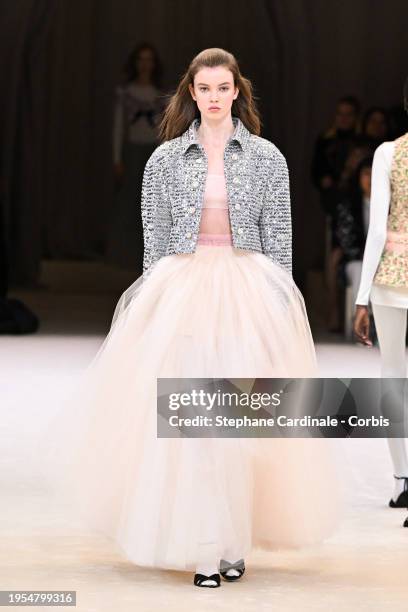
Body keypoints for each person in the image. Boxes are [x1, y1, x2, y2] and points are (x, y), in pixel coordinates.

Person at [40, 48, 341, 589]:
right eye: (204, 89)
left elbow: (280, 236)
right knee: (192, 424)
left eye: (223, 88)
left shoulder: (267, 158)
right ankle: (206, 546)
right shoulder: (163, 161)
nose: (214, 98)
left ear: (237, 92)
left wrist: (280, 306)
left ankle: (231, 542)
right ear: (191, 94)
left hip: (248, 288)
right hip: (183, 288)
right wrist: (154, 306)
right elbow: (155, 243)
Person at [354, 76, 408, 520]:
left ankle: (402, 479)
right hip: (393, 276)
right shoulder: (387, 153)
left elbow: (377, 229)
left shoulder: (390, 153)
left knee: (394, 375)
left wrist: (360, 296)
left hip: (394, 275)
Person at [105, 42, 165, 273]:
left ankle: (151, 255)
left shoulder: (159, 95)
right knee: (128, 203)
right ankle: (123, 255)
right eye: (141, 59)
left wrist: (162, 159)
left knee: (151, 205)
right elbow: (119, 127)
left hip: (152, 151)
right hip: (131, 151)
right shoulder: (126, 93)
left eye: (149, 59)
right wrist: (117, 158)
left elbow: (162, 129)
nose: (145, 64)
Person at [311, 96, 361, 332]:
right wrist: (328, 182)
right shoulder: (326, 140)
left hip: (358, 202)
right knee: (335, 254)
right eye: (340, 113)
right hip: (336, 205)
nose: (344, 119)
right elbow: (317, 172)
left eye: (348, 114)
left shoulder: (360, 141)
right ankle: (334, 310)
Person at [334, 157, 373, 333]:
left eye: (374, 173)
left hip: (385, 260)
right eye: (366, 174)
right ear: (359, 177)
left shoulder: (392, 205)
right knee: (359, 270)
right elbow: (346, 240)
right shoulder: (349, 205)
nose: (370, 179)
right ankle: (364, 321)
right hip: (356, 259)